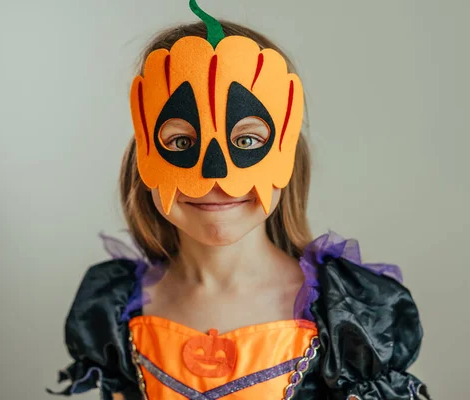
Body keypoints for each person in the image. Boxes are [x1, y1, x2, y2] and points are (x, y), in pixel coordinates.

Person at [48, 1, 430, 399]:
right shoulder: (112, 311)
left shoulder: (351, 316)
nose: (216, 177)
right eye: (181, 142)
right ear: (144, 157)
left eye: (247, 141)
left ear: (286, 152)